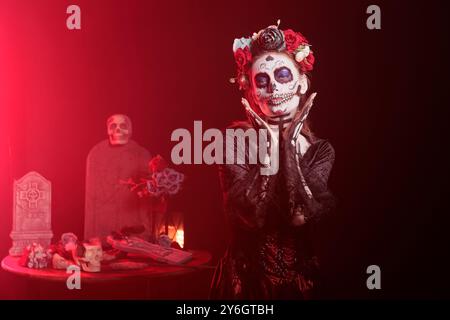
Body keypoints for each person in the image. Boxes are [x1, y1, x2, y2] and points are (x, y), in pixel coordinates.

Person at [210, 22, 336, 299]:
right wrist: (272, 149)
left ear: (301, 83)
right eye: (262, 81)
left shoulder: (320, 150)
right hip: (244, 285)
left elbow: (299, 218)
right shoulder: (234, 141)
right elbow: (252, 219)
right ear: (251, 90)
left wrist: (288, 144)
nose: (273, 88)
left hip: (302, 288)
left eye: (282, 75)